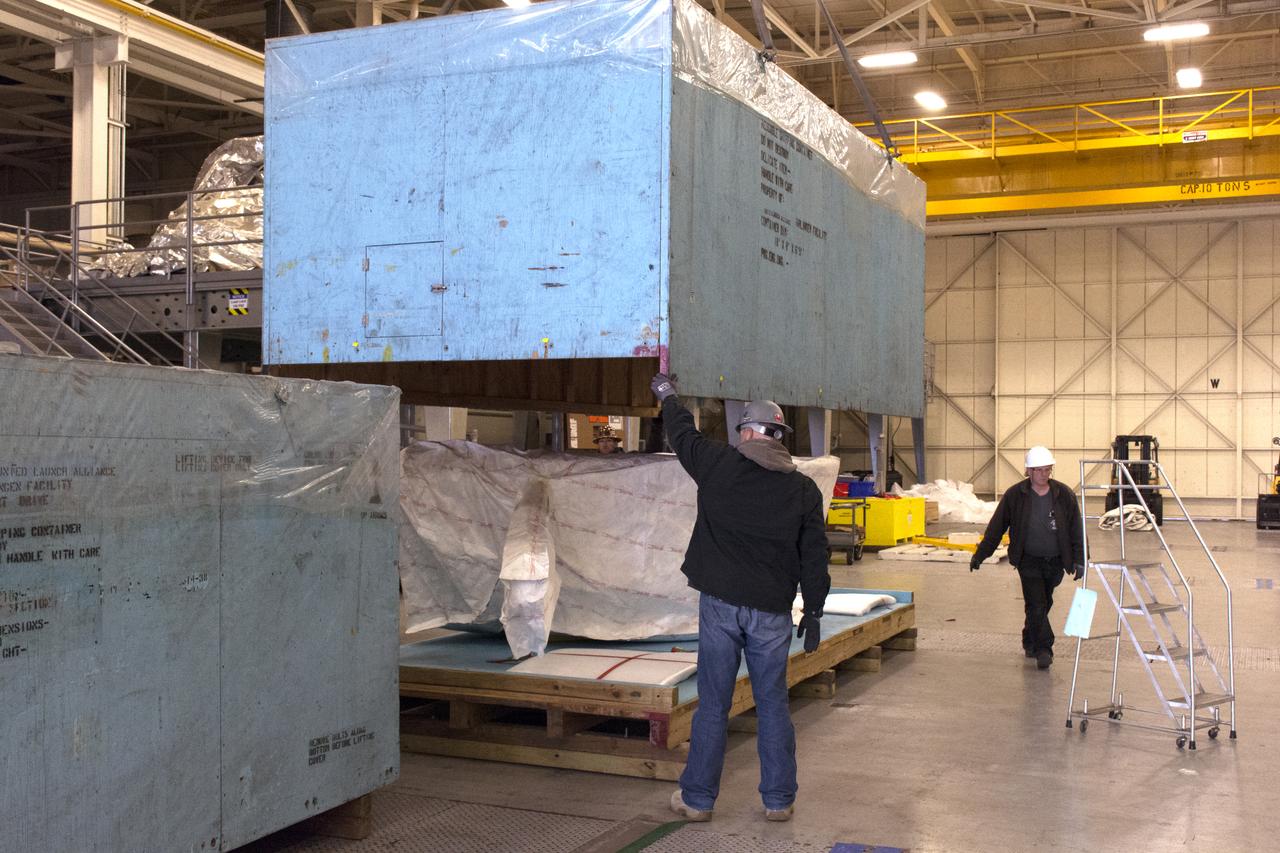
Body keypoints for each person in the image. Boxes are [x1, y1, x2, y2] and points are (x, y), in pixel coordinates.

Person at [651, 373, 829, 824]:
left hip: (720, 606)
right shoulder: (802, 489)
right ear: (780, 436)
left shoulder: (717, 465)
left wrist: (669, 395)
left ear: (748, 432)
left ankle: (697, 800)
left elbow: (683, 434)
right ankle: (778, 800)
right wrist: (814, 610)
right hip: (771, 612)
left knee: (714, 702)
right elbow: (814, 556)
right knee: (772, 703)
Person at [970, 445, 1084, 670]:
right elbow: (997, 527)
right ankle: (1044, 649)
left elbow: (1075, 528)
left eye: (1047, 469)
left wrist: (1081, 559)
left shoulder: (1063, 495)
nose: (1044, 474)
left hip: (1055, 561)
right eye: (1039, 470)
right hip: (1028, 560)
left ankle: (1029, 636)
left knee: (1044, 602)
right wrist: (981, 554)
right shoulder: (1015, 496)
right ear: (1029, 471)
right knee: (1036, 603)